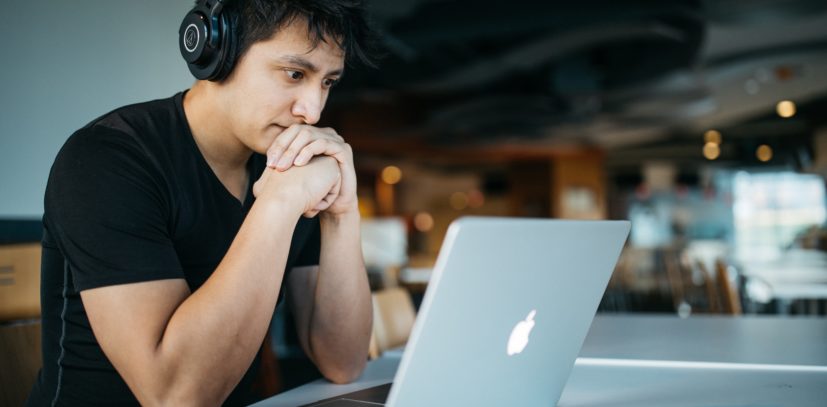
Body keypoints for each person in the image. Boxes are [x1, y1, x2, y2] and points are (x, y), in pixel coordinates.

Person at [27, 0, 377, 405]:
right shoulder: (107, 158)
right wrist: (279, 203)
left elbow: (344, 362)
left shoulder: (286, 163)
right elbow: (176, 396)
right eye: (294, 73)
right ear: (217, 52)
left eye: (328, 82)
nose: (312, 111)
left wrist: (341, 212)